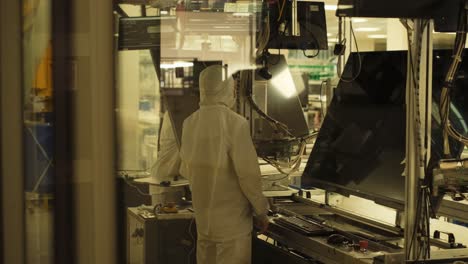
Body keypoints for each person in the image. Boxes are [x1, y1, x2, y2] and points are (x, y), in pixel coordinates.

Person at [179, 65, 269, 264]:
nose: (235, 93)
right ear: (225, 88)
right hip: (232, 226)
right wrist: (261, 210)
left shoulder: (189, 123)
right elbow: (248, 175)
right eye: (233, 88)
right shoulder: (235, 123)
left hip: (205, 223)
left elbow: (185, 169)